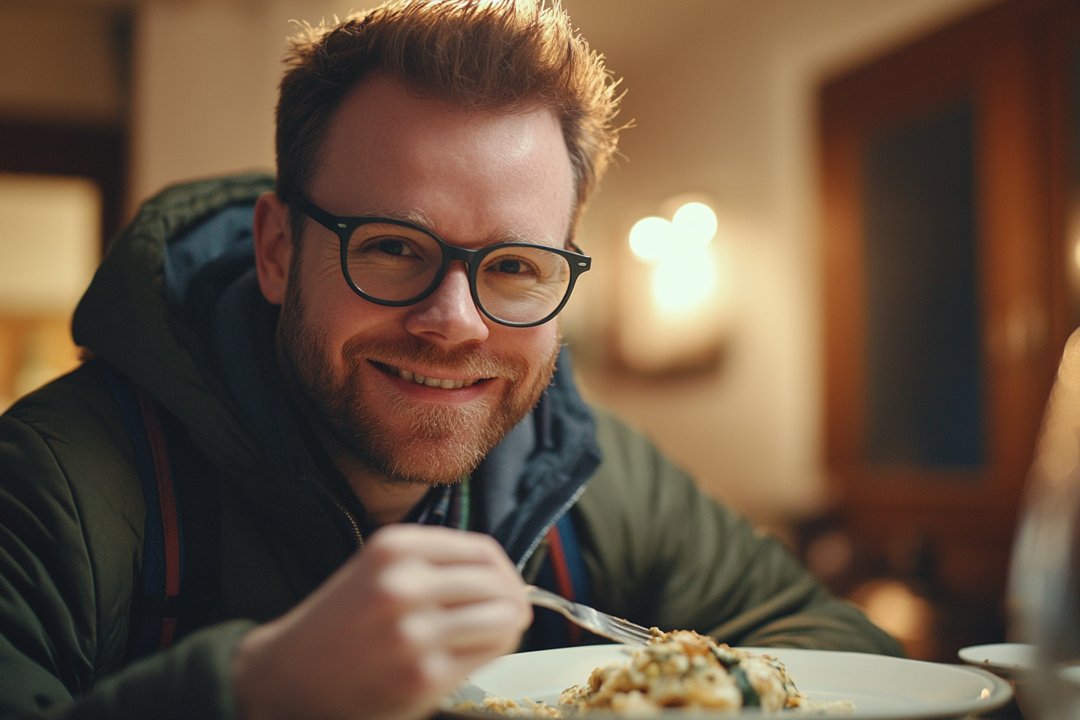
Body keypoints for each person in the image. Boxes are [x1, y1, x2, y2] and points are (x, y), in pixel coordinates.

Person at [0, 1, 902, 718]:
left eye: (514, 266)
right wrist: (255, 693)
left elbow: (842, 652)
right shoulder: (53, 483)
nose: (455, 324)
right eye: (393, 248)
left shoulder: (591, 474)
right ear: (277, 251)